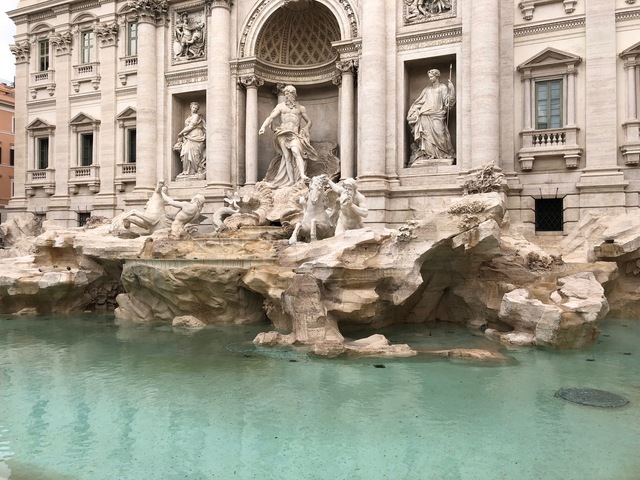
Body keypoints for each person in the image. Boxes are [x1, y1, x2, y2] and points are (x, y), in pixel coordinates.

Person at [259, 85, 319, 187]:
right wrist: (263, 126)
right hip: (283, 132)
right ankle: (291, 180)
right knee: (286, 156)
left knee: (296, 151)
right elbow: (271, 117)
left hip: (294, 134)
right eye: (286, 94)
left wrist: (306, 128)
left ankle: (302, 175)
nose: (287, 96)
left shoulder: (301, 108)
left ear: (294, 94)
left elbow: (309, 121)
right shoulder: (280, 106)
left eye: (290, 93)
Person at [407, 68, 455, 165]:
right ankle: (429, 155)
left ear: (437, 76)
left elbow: (448, 102)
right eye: (429, 77)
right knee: (426, 136)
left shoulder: (443, 88)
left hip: (438, 114)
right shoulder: (427, 90)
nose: (430, 79)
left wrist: (452, 90)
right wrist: (413, 112)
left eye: (431, 76)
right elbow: (419, 102)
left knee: (440, 134)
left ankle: (442, 154)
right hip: (425, 115)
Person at [174, 102, 206, 178]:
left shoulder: (196, 116)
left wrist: (181, 133)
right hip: (189, 136)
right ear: (190, 107)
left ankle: (194, 171)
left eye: (196, 108)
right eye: (193, 107)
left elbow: (191, 126)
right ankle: (186, 171)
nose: (194, 109)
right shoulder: (188, 117)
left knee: (195, 154)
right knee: (186, 152)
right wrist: (184, 136)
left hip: (196, 135)